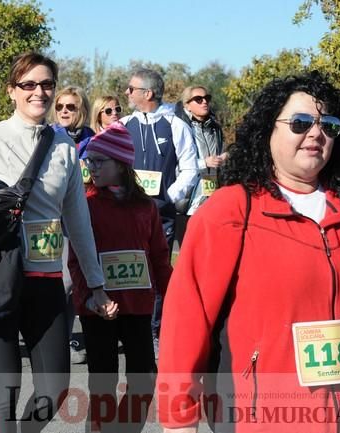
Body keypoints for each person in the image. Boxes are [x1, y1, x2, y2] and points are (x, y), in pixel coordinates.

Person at [157, 71, 340, 433]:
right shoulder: (231, 210)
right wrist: (179, 416)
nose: (316, 133)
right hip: (263, 417)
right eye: (300, 123)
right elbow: (187, 317)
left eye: (329, 125)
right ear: (268, 130)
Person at [0, 52, 108, 433]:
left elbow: (78, 221)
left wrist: (95, 283)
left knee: (55, 388)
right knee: (6, 385)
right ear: (12, 91)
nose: (39, 92)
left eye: (46, 84)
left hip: (47, 281)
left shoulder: (63, 146)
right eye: (28, 84)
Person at [69, 122, 172, 432]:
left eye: (100, 161)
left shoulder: (146, 207)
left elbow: (159, 256)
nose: (92, 167)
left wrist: (175, 298)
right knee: (104, 382)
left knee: (145, 377)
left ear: (121, 163)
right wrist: (89, 296)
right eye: (89, 161)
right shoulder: (84, 204)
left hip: (138, 305)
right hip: (98, 307)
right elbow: (75, 259)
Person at [120, 68, 198, 353]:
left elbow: (190, 168)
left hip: (158, 215)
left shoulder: (175, 125)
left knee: (154, 272)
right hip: (125, 213)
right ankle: (127, 326)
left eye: (131, 89)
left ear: (147, 94)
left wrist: (168, 196)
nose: (127, 93)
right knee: (125, 269)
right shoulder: (125, 123)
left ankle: (154, 330)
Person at [50, 85, 96, 365]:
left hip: (88, 219)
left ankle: (76, 339)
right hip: (56, 222)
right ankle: (57, 341)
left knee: (82, 285)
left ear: (83, 111)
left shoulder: (94, 141)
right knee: (63, 285)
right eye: (60, 107)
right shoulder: (49, 138)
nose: (65, 111)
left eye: (71, 107)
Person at [174, 86, 226, 215]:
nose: (204, 102)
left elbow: (220, 156)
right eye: (198, 99)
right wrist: (204, 163)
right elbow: (174, 166)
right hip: (188, 202)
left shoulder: (215, 128)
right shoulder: (178, 127)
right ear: (187, 105)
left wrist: (225, 158)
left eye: (207, 98)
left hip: (213, 198)